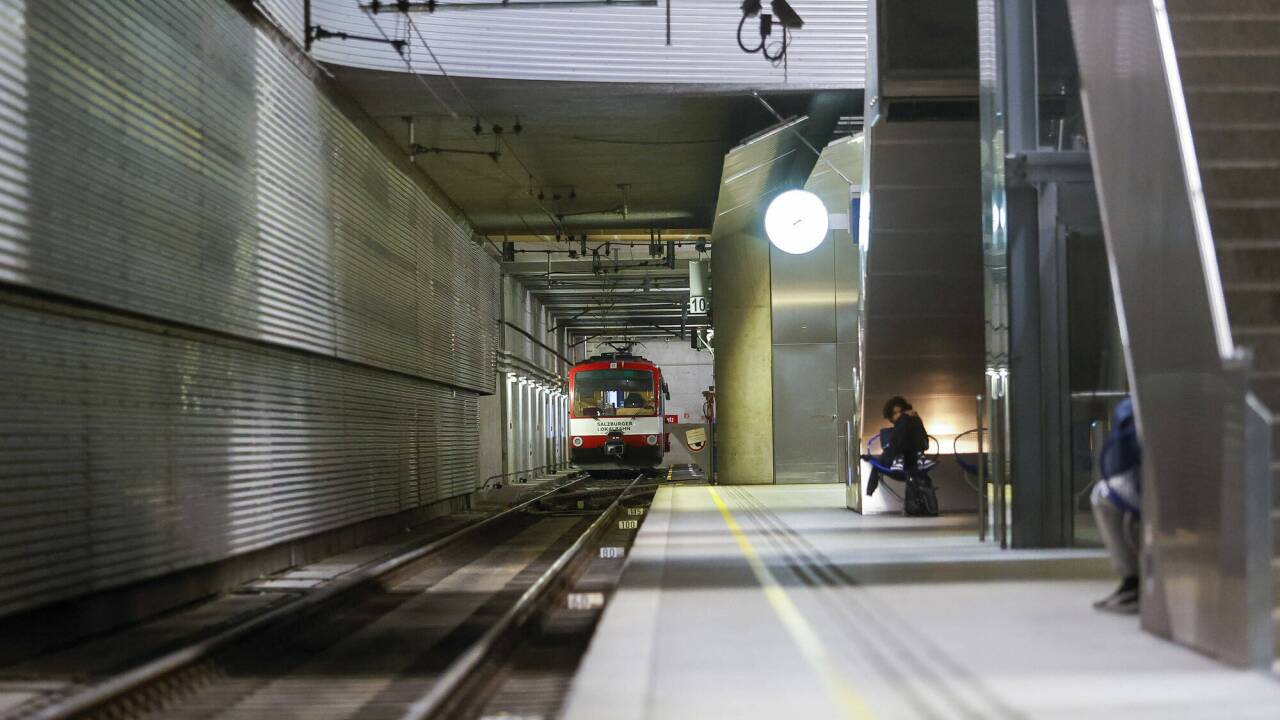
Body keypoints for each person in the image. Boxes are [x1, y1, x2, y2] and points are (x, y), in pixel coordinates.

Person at [1090, 397, 1142, 614]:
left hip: (1155, 480)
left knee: (1103, 496)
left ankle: (1133, 579)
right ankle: (1134, 581)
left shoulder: (1134, 405)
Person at [866, 396, 929, 497]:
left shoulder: (912, 424)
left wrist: (913, 417)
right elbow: (885, 456)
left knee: (912, 421)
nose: (899, 415)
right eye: (895, 413)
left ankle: (917, 454)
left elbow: (925, 443)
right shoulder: (892, 432)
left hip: (911, 460)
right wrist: (905, 417)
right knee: (907, 421)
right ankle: (913, 455)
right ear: (891, 417)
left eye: (901, 412)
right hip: (895, 461)